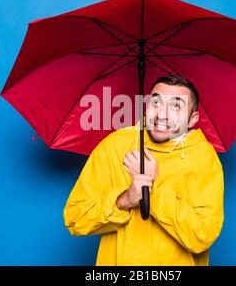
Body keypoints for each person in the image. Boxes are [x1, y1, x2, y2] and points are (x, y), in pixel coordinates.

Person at [63, 74, 224, 266]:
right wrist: (123, 200)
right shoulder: (115, 146)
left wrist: (153, 190)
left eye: (176, 106)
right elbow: (75, 219)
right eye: (156, 102)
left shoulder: (203, 158)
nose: (162, 114)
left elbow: (203, 236)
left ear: (192, 119)